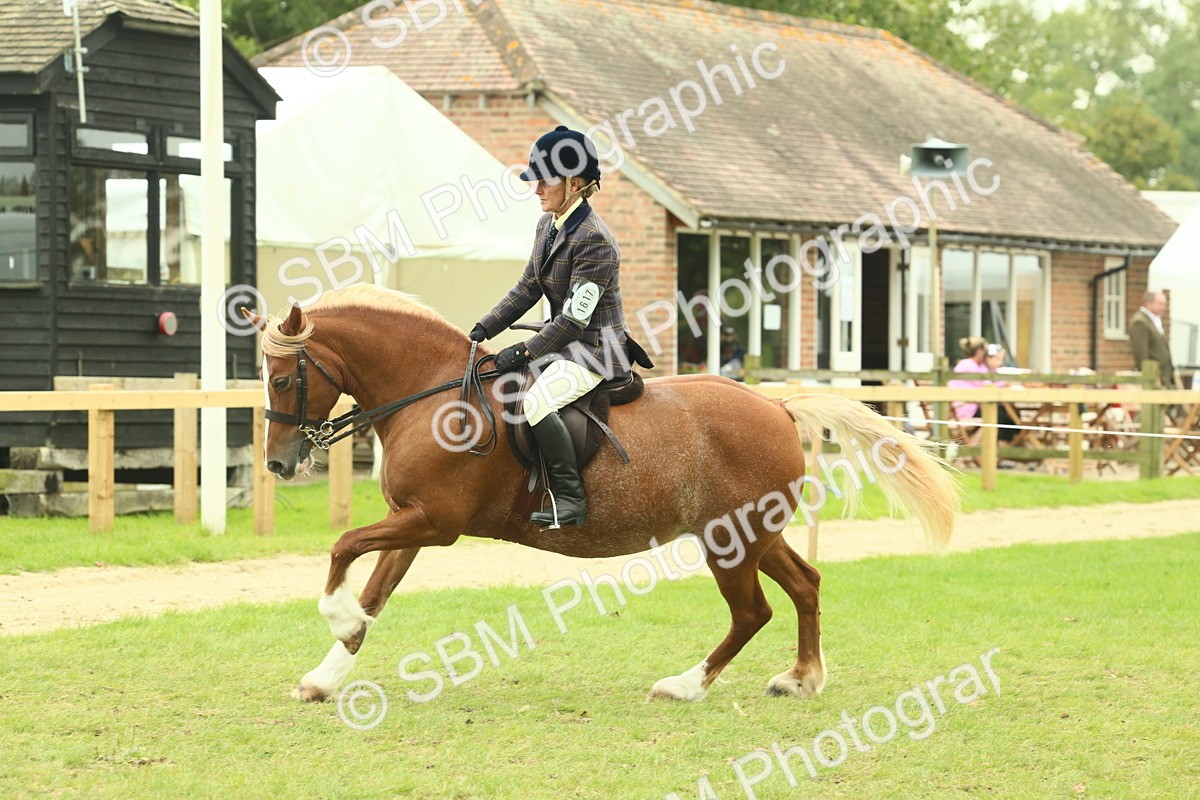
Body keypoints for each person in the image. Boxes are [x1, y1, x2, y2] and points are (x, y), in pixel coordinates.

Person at [468, 125, 650, 530]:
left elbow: (574, 318)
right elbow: (528, 287)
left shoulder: (595, 239)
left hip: (596, 350)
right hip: (566, 344)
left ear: (576, 183)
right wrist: (483, 328)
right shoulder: (547, 226)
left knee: (536, 403)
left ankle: (570, 499)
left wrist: (527, 350)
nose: (536, 189)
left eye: (545, 180)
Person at [948, 337, 1015, 442]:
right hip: (965, 409)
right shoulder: (969, 365)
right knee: (996, 414)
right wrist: (1004, 383)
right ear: (979, 351)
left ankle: (1001, 445)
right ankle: (975, 448)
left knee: (1004, 413)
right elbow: (985, 386)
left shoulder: (972, 365)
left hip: (969, 405)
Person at [1128, 290, 1177, 388]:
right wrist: (1151, 379)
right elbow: (1142, 356)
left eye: (1164, 304)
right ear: (1148, 303)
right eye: (1160, 304)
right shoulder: (1140, 322)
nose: (1163, 308)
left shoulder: (1154, 320)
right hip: (1154, 379)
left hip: (1164, 378)